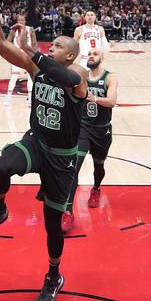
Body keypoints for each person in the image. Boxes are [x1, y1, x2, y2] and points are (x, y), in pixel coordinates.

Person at [0, 0, 87, 301]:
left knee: (52, 226)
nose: (51, 49)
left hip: (62, 159)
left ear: (70, 55)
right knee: (2, 165)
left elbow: (64, 76)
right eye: (50, 46)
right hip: (36, 142)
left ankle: (53, 276)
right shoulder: (40, 67)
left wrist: (35, 56)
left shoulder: (77, 76)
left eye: (58, 47)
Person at [61, 48, 118, 232]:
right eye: (89, 54)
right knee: (74, 165)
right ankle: (68, 210)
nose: (91, 56)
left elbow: (111, 102)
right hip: (83, 128)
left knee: (99, 166)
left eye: (95, 54)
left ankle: (96, 188)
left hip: (102, 130)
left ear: (102, 57)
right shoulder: (81, 76)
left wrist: (93, 98)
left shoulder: (110, 77)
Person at [4, 14, 36, 107]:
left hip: (28, 55)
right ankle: (8, 97)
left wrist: (35, 56)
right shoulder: (14, 29)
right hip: (17, 55)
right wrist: (11, 52)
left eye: (22, 20)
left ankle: (30, 98)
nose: (20, 22)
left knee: (30, 76)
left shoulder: (30, 29)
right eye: (19, 20)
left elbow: (34, 44)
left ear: (25, 21)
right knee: (14, 76)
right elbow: (7, 42)